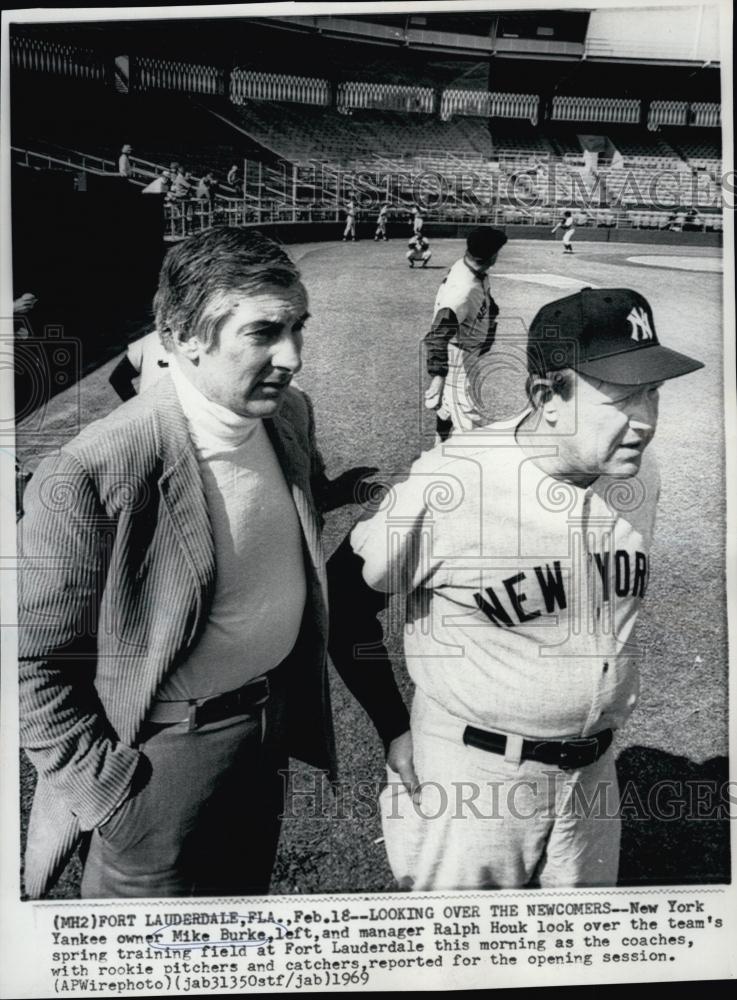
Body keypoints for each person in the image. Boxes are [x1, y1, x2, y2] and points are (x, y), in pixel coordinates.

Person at [19, 228, 342, 900]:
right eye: (264, 333)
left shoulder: (290, 418)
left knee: (237, 919)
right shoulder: (94, 467)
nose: (293, 357)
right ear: (185, 336)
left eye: (298, 328)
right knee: (141, 953)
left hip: (265, 728)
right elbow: (31, 659)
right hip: (155, 759)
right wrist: (104, 786)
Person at [350, 287, 704, 891]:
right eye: (621, 397)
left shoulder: (638, 472)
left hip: (594, 780)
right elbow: (346, 599)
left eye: (653, 393)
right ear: (546, 397)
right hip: (475, 778)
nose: (645, 421)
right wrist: (393, 728)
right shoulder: (454, 481)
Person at [423, 227, 507, 441]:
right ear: (493, 255)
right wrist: (438, 376)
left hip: (464, 350)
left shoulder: (469, 268)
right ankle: (457, 468)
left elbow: (484, 300)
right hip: (459, 356)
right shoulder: (462, 290)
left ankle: (439, 445)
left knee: (450, 408)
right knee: (469, 420)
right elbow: (437, 335)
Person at [108, 329, 171, 402]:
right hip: (156, 407)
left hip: (152, 407)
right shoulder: (149, 340)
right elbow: (118, 378)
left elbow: (118, 378)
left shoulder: (149, 340)